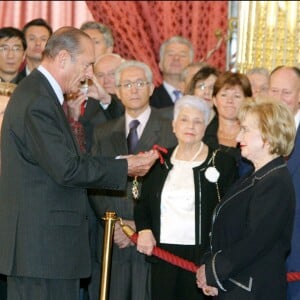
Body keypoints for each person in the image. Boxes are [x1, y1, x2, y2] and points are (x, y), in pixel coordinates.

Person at [0, 26, 159, 300]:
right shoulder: (38, 100)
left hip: (47, 251)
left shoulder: (43, 95)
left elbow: (66, 161)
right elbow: (67, 168)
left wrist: (122, 161)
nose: (89, 75)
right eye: (86, 65)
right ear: (63, 58)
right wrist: (126, 167)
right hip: (42, 252)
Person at [88, 60, 177, 300]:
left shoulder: (171, 129)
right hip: (112, 239)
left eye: (140, 83)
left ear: (151, 88)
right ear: (116, 90)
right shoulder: (102, 132)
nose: (134, 89)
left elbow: (174, 184)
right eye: (127, 84)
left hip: (152, 239)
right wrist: (117, 224)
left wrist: (139, 223)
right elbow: (94, 182)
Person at [134, 95, 238, 300]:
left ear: (205, 126)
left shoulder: (222, 162)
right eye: (184, 119)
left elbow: (230, 213)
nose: (190, 125)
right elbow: (142, 201)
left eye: (197, 121)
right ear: (173, 125)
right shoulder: (159, 160)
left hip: (201, 258)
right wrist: (144, 229)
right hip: (163, 254)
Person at [196, 97, 296, 299]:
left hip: (254, 290)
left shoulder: (274, 181)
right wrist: (211, 272)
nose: (238, 136)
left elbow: (254, 242)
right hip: (237, 286)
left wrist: (213, 272)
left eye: (246, 130)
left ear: (269, 135)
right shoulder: (256, 175)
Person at [268, 66, 300, 300]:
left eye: (286, 93)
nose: (278, 99)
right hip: (263, 255)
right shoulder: (257, 130)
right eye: (273, 90)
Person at [203, 71, 253, 175]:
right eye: (224, 95)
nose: (230, 101)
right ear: (215, 101)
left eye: (237, 96)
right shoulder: (202, 134)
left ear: (247, 101)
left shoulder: (255, 137)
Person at [150, 35, 194, 108]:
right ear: (160, 64)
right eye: (170, 54)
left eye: (182, 55)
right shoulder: (149, 99)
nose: (176, 58)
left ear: (191, 65)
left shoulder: (199, 98)